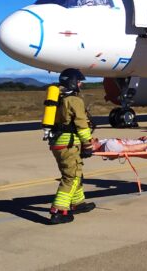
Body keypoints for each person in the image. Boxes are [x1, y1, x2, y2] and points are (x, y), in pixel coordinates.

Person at [48, 68, 95, 225]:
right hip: (69, 144)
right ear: (73, 82)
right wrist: (88, 145)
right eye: (79, 81)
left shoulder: (58, 99)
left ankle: (78, 203)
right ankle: (58, 211)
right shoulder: (74, 100)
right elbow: (82, 125)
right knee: (71, 177)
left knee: (75, 173)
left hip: (57, 143)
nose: (81, 84)